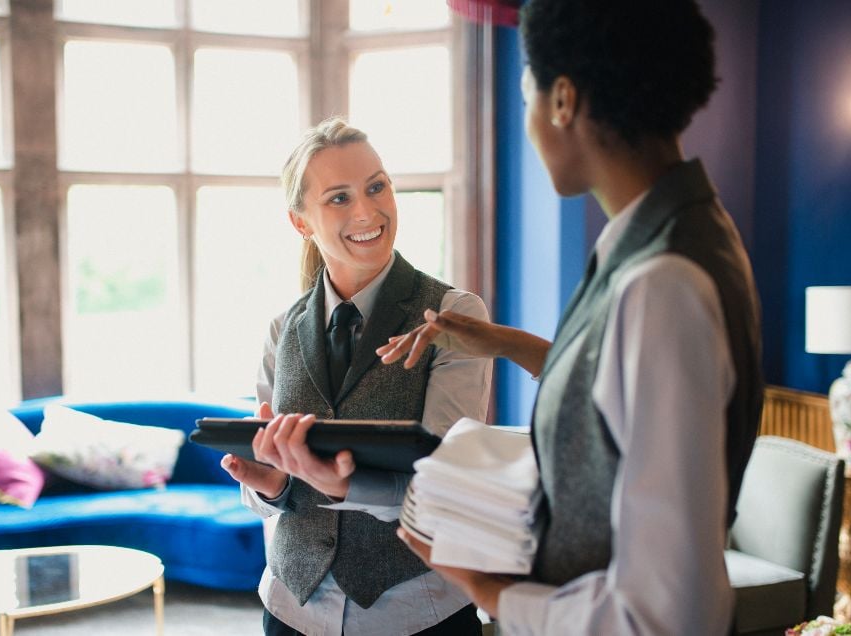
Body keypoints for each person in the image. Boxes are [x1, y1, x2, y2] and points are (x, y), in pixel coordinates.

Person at [377, 0, 764, 633]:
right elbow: (620, 399)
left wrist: (491, 592)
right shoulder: (680, 233)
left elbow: (665, 613)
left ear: (563, 100)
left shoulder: (663, 284)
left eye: (528, 87)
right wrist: (503, 343)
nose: (527, 117)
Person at [219, 117, 494, 636]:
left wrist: (345, 487)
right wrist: (270, 486)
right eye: (339, 198)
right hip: (290, 608)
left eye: (377, 186)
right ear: (301, 222)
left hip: (418, 611)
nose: (368, 211)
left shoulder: (455, 315)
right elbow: (266, 495)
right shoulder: (283, 329)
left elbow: (444, 482)